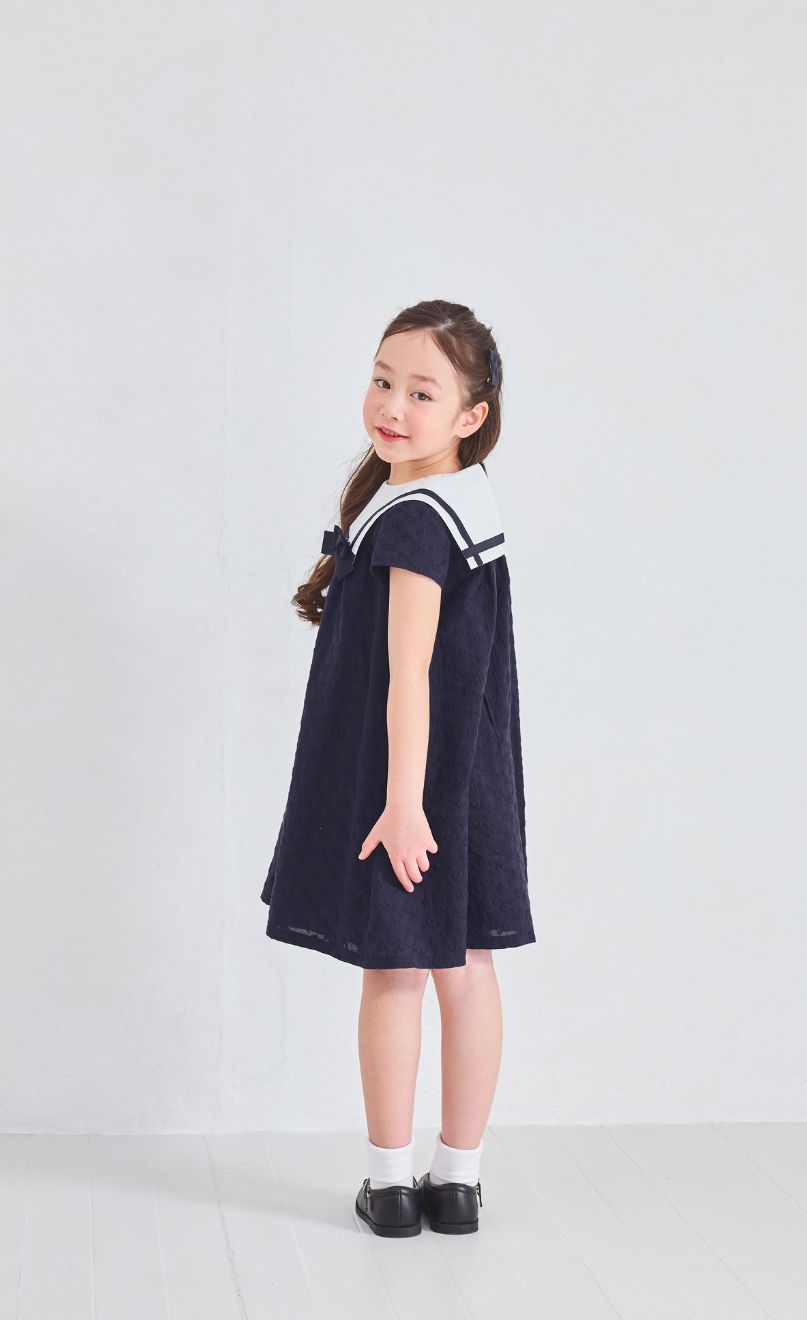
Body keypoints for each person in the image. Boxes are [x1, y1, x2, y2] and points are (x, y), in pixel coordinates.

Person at [260, 298, 536, 1236]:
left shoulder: (417, 519)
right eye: (383, 380)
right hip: (472, 774)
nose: (392, 405)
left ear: (470, 416)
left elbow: (410, 670)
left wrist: (403, 803)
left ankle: (389, 1186)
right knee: (468, 966)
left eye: (423, 392)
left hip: (409, 785)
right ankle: (456, 1181)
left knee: (397, 971)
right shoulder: (460, 495)